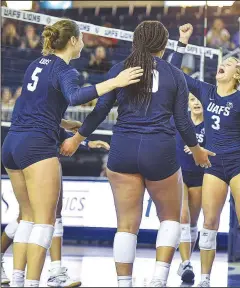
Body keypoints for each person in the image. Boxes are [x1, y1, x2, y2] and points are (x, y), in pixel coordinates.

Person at [59, 21, 214, 288]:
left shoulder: (120, 69)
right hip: (159, 150)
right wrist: (198, 151)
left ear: (136, 41)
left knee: (126, 226)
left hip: (124, 149)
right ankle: (158, 279)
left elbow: (99, 111)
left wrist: (77, 138)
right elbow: (182, 120)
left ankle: (124, 283)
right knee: (170, 218)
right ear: (164, 45)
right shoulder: (174, 74)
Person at [1, 19, 142, 287]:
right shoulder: (66, 70)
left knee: (27, 218)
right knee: (45, 222)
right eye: (82, 38)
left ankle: (18, 280)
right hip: (36, 146)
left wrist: (68, 127)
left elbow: (30, 107)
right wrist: (115, 81)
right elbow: (76, 97)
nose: (84, 43)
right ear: (74, 41)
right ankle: (34, 282)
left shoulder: (35, 64)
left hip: (11, 144)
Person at [171, 24, 240, 287]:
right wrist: (182, 42)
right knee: (209, 222)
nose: (223, 65)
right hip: (214, 165)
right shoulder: (205, 91)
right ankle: (205, 279)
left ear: (236, 74)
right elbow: (174, 73)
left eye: (229, 64)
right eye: (223, 62)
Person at [1, 128, 110, 287]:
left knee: (27, 216)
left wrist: (81, 139)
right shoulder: (49, 107)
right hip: (39, 150)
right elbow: (53, 118)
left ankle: (42, 273)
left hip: (16, 145)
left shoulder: (31, 106)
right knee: (41, 216)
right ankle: (51, 273)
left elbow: (50, 120)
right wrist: (82, 136)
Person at [173, 93, 205, 283]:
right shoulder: (180, 119)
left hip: (201, 176)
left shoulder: (210, 124)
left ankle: (187, 261)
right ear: (188, 103)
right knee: (183, 216)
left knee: (193, 223)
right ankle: (186, 263)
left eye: (199, 100)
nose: (196, 103)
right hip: (180, 173)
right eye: (192, 100)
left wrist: (199, 148)